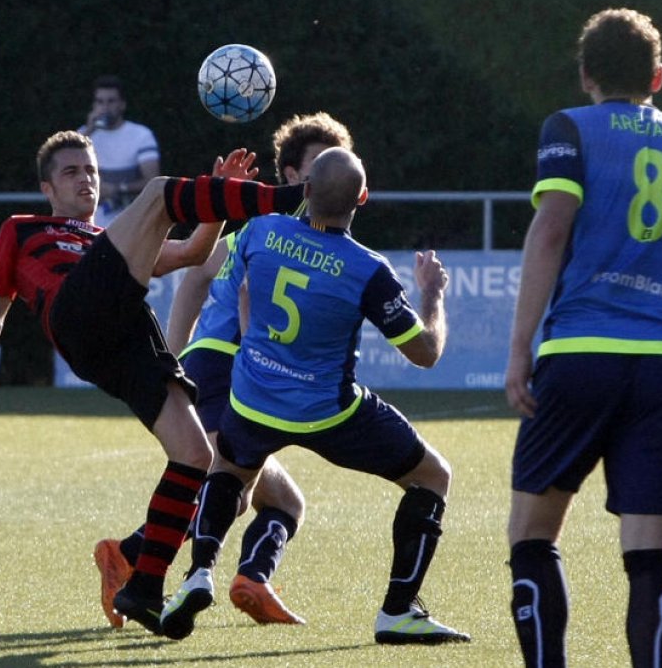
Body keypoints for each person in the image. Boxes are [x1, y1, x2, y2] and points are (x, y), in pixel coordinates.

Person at [0, 130, 306, 637]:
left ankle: (142, 585)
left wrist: (218, 198)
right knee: (160, 191)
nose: (85, 179)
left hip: (124, 340)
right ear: (47, 188)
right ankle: (292, 199)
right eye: (71, 171)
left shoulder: (114, 243)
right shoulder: (23, 229)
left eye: (92, 171)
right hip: (77, 312)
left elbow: (191, 252)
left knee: (195, 456)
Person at [503, 8, 662, 667]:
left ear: (586, 74)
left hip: (579, 356)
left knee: (531, 535)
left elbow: (551, 228)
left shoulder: (568, 129)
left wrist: (518, 347)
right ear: (659, 76)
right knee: (650, 555)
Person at [154, 147, 470, 645]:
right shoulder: (368, 270)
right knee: (433, 476)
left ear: (305, 190)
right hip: (329, 412)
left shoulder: (261, 231)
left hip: (254, 396)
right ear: (362, 198)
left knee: (231, 471)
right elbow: (425, 353)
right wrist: (432, 293)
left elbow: (241, 297)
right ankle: (398, 611)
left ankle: (198, 575)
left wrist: (259, 361)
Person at [92, 113, 355, 630]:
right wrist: (175, 355)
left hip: (245, 373)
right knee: (225, 493)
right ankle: (132, 559)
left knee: (281, 501)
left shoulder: (319, 242)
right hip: (225, 366)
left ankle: (250, 578)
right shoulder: (267, 231)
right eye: (315, 167)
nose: (326, 177)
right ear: (286, 176)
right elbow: (201, 278)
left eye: (335, 166)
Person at [77, 75, 160, 227]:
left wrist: (118, 189)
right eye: (100, 102)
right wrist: (89, 129)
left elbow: (152, 180)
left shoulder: (141, 135)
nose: (105, 107)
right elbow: (63, 165)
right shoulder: (83, 135)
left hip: (132, 221)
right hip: (92, 222)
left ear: (122, 105)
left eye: (111, 101)